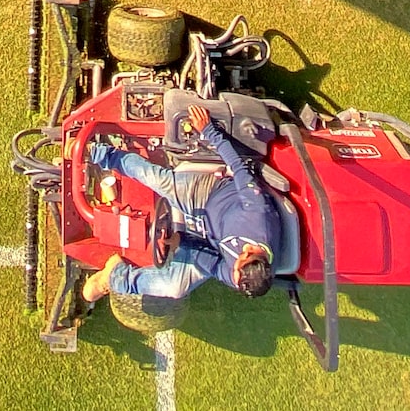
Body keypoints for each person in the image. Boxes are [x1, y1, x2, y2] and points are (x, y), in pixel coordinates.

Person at [80, 101, 282, 308]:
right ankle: (99, 154)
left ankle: (114, 278)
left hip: (205, 236)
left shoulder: (242, 276)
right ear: (249, 255)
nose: (232, 272)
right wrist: (209, 131)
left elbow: (212, 265)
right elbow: (239, 168)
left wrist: (183, 242)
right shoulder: (258, 213)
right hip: (207, 194)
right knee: (159, 181)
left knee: (175, 287)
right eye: (236, 268)